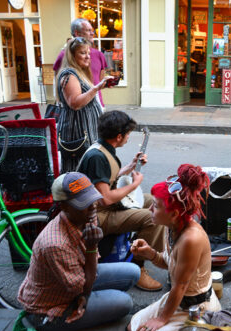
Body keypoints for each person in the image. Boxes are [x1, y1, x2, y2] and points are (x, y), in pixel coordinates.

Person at [18, 172, 140, 331]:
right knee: (125, 303)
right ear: (64, 206)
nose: (92, 206)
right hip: (49, 308)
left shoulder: (87, 216)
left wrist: (91, 251)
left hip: (78, 279)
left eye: (92, 198)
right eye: (84, 203)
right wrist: (91, 247)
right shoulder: (56, 244)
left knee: (133, 271)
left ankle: (100, 301)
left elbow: (91, 269)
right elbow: (83, 288)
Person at [77, 110, 165, 291]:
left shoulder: (102, 149)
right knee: (153, 218)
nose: (127, 138)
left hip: (104, 207)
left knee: (155, 203)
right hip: (96, 216)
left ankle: (138, 246)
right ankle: (138, 266)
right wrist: (134, 185)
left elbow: (107, 178)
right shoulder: (97, 157)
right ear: (119, 136)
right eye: (127, 135)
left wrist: (130, 166)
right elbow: (106, 199)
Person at [128, 164, 221, 331]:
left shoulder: (190, 239)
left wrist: (161, 319)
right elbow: (169, 262)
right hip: (178, 300)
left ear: (174, 214)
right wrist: (150, 253)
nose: (150, 209)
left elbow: (180, 286)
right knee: (133, 327)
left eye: (155, 206)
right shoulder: (170, 226)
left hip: (196, 307)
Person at [56, 36, 111, 173]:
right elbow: (75, 103)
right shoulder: (69, 75)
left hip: (87, 129)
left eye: (88, 53)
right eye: (82, 53)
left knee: (88, 168)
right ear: (72, 55)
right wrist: (96, 88)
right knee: (77, 170)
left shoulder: (80, 73)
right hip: (79, 131)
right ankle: (77, 194)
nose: (87, 57)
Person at [54, 18, 108, 107]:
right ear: (77, 33)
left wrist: (106, 83)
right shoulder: (64, 56)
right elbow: (58, 84)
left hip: (97, 106)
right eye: (88, 30)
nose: (92, 33)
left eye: (92, 30)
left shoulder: (99, 55)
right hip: (77, 113)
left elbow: (99, 81)